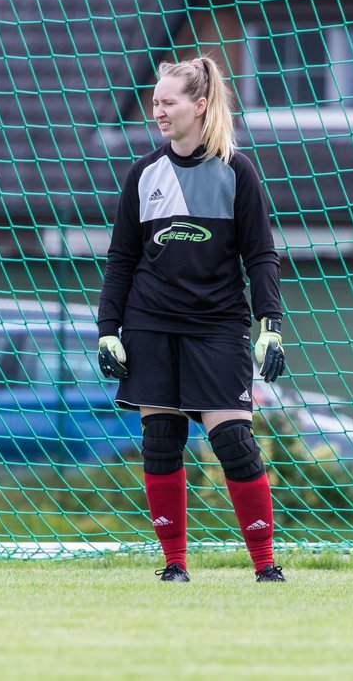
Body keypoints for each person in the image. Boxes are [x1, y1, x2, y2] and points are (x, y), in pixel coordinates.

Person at [96, 55, 287, 583]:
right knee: (161, 441)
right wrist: (107, 330)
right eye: (155, 102)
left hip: (218, 325)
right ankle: (174, 565)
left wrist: (269, 324)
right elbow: (121, 260)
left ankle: (266, 566)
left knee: (234, 445)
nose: (158, 111)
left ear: (200, 105)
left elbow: (262, 256)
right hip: (150, 324)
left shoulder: (235, 171)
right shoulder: (143, 173)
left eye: (168, 102)